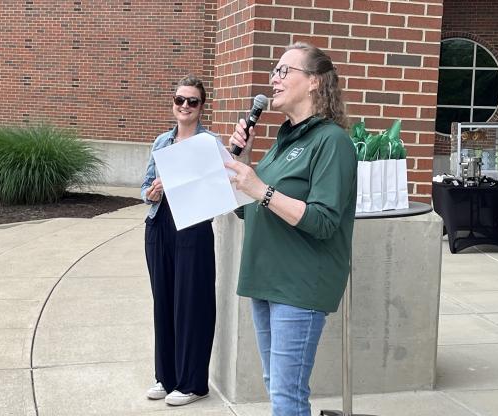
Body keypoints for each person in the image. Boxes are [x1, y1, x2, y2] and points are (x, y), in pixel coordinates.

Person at [226, 42, 357, 416]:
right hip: (266, 279)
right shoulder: (283, 141)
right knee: (277, 387)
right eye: (274, 71)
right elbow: (250, 210)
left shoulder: (332, 142)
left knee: (287, 395)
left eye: (285, 71)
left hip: (299, 284)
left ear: (315, 82)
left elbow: (324, 220)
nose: (274, 79)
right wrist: (247, 162)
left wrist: (261, 189)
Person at [141, 75, 216, 406]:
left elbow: (221, 190)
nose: (184, 106)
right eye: (179, 100)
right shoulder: (161, 142)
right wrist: (151, 193)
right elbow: (143, 188)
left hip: (194, 230)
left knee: (192, 305)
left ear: (201, 107)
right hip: (160, 227)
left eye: (192, 101)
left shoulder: (209, 142)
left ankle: (192, 383)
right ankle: (166, 377)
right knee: (165, 303)